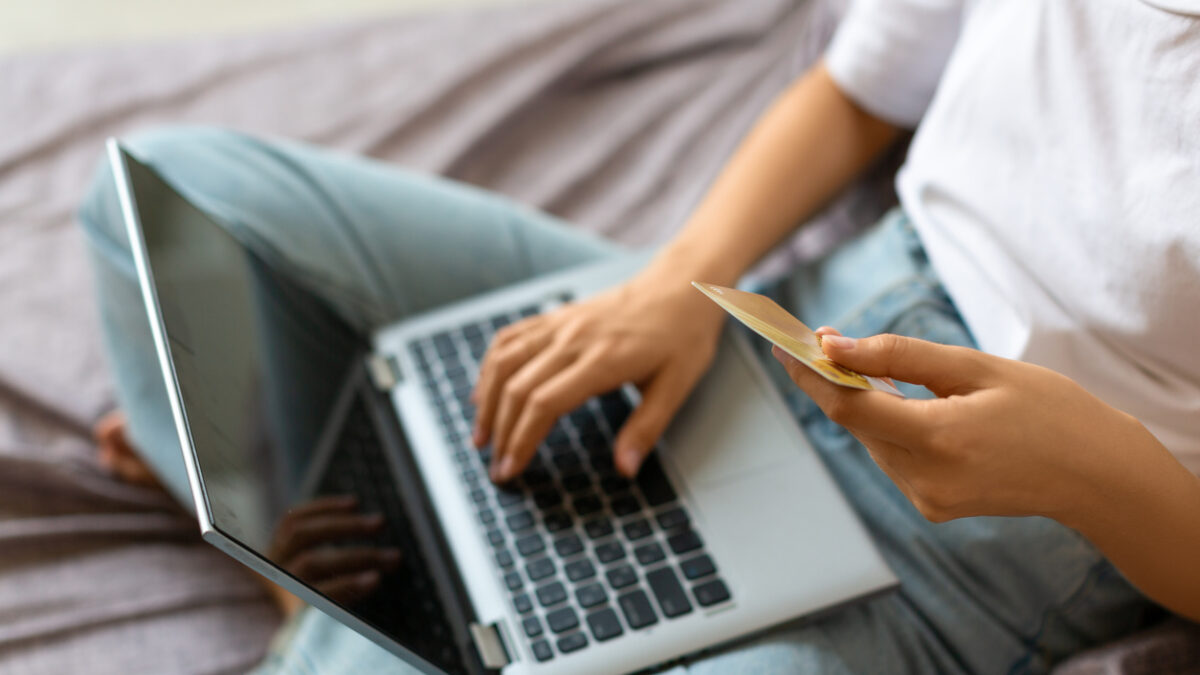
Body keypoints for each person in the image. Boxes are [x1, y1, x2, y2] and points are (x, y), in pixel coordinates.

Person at [80, 0, 1199, 672]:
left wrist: (1087, 471)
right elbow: (862, 92)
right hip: (775, 330)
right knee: (160, 197)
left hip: (995, 545)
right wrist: (678, 284)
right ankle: (330, 586)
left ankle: (320, 596)